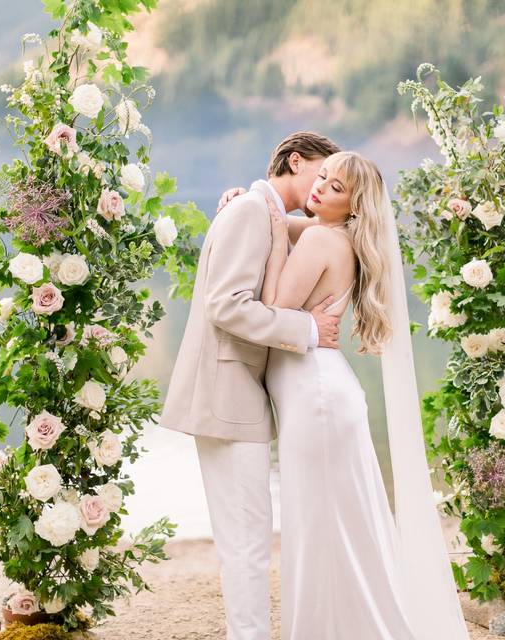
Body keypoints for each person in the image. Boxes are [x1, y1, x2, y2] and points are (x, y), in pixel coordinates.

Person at [218, 151, 470, 639]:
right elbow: (283, 226)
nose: (320, 188)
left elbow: (273, 308)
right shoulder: (334, 237)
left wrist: (272, 237)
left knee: (317, 530)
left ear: (354, 206)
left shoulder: (319, 239)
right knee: (337, 528)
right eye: (323, 177)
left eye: (335, 188)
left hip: (316, 397)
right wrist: (248, 205)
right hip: (323, 394)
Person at [159, 131, 342, 640]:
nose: (323, 185)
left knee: (250, 539)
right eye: (320, 173)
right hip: (226, 395)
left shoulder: (263, 212)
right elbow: (227, 304)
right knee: (247, 543)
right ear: (293, 161)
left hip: (238, 397)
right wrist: (306, 330)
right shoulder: (248, 212)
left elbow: (330, 226)